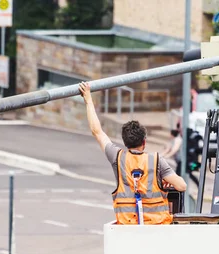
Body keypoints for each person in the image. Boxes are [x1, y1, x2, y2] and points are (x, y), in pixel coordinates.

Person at [78, 81, 187, 225]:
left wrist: (88, 99)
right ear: (144, 142)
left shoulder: (117, 157)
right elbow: (182, 186)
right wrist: (164, 181)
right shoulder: (156, 160)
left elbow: (97, 131)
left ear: (125, 142)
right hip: (157, 228)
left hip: (127, 228)